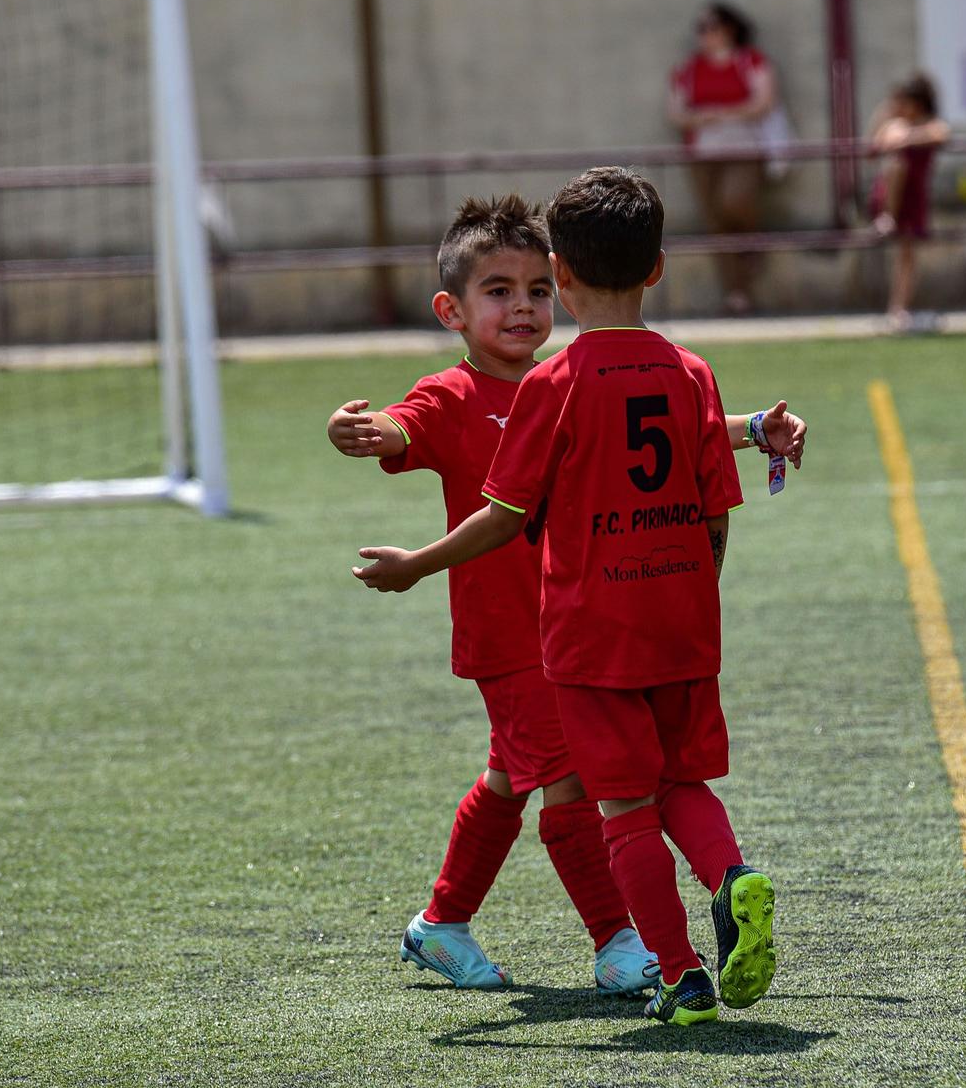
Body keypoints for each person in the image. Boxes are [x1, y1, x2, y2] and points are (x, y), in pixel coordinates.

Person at [325, 195, 804, 999]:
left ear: (564, 286)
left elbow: (658, 424)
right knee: (576, 782)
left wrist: (752, 427)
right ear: (452, 310)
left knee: (511, 779)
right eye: (499, 290)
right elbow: (405, 426)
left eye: (537, 289)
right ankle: (620, 941)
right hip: (512, 636)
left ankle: (441, 922)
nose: (523, 306)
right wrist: (367, 431)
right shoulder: (450, 394)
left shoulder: (566, 380)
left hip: (575, 631)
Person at [668, 0, 777, 316]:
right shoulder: (689, 69)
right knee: (716, 222)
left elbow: (763, 102)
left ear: (729, 29)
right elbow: (676, 112)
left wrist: (721, 112)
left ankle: (752, 240)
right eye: (700, 29)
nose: (705, 35)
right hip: (703, 152)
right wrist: (705, 118)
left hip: (744, 147)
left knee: (735, 200)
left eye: (711, 27)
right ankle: (737, 293)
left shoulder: (751, 61)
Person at [866, 72, 950, 332]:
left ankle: (898, 308)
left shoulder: (928, 126)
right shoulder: (894, 125)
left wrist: (908, 136)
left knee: (906, 256)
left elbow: (941, 135)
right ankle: (886, 216)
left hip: (913, 198)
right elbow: (872, 148)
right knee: (896, 166)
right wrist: (885, 113)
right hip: (890, 196)